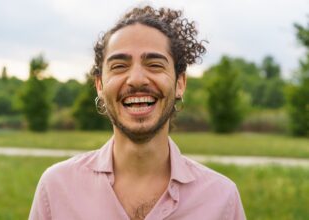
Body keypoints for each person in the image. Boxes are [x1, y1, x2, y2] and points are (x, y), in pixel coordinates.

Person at [29, 5, 246, 220]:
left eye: (154, 64)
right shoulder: (56, 189)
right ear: (100, 86)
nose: (136, 79)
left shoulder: (221, 199)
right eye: (119, 66)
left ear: (180, 83)